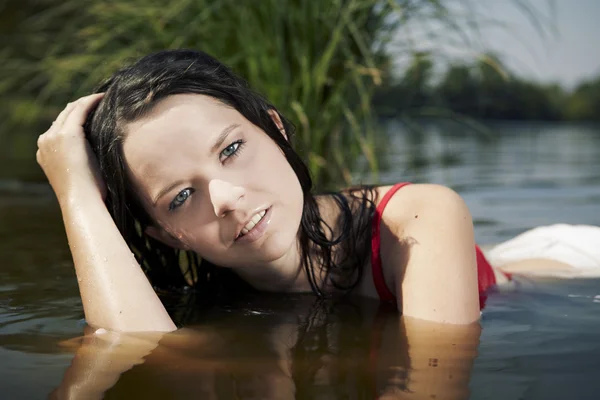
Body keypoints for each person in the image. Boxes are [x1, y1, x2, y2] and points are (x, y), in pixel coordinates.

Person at [35, 49, 600, 333]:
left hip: (563, 266)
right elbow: (137, 355)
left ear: (276, 130)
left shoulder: (422, 218)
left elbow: (431, 385)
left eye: (231, 149)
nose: (227, 198)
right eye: (182, 197)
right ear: (165, 234)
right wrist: (78, 196)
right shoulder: (204, 296)